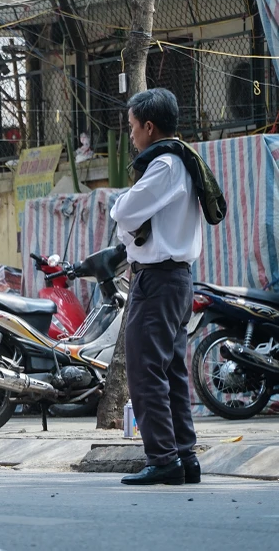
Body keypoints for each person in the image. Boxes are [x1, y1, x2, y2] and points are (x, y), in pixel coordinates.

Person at [110, 88, 203, 486]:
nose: (131, 135)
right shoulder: (181, 160)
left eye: (133, 127)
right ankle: (183, 457)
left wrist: (120, 206)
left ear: (149, 127)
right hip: (174, 279)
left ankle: (164, 458)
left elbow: (124, 210)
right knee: (170, 371)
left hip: (159, 280)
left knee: (146, 371)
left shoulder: (165, 164)